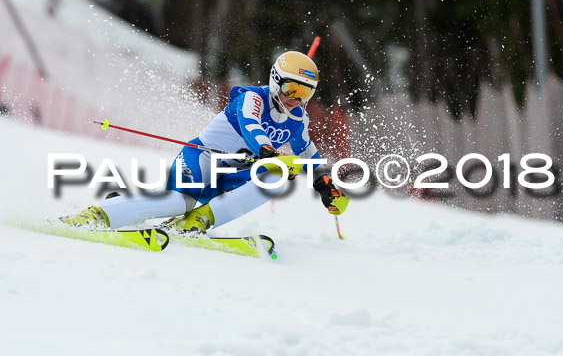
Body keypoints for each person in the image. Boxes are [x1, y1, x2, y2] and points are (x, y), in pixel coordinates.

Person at [63, 51, 349, 232]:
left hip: (234, 172)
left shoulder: (298, 118)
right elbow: (251, 127)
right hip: (202, 160)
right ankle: (99, 215)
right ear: (276, 81)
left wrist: (324, 184)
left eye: (304, 94)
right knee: (179, 200)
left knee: (275, 179)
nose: (295, 99)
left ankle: (198, 222)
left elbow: (307, 151)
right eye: (291, 89)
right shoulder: (252, 98)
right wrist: (268, 151)